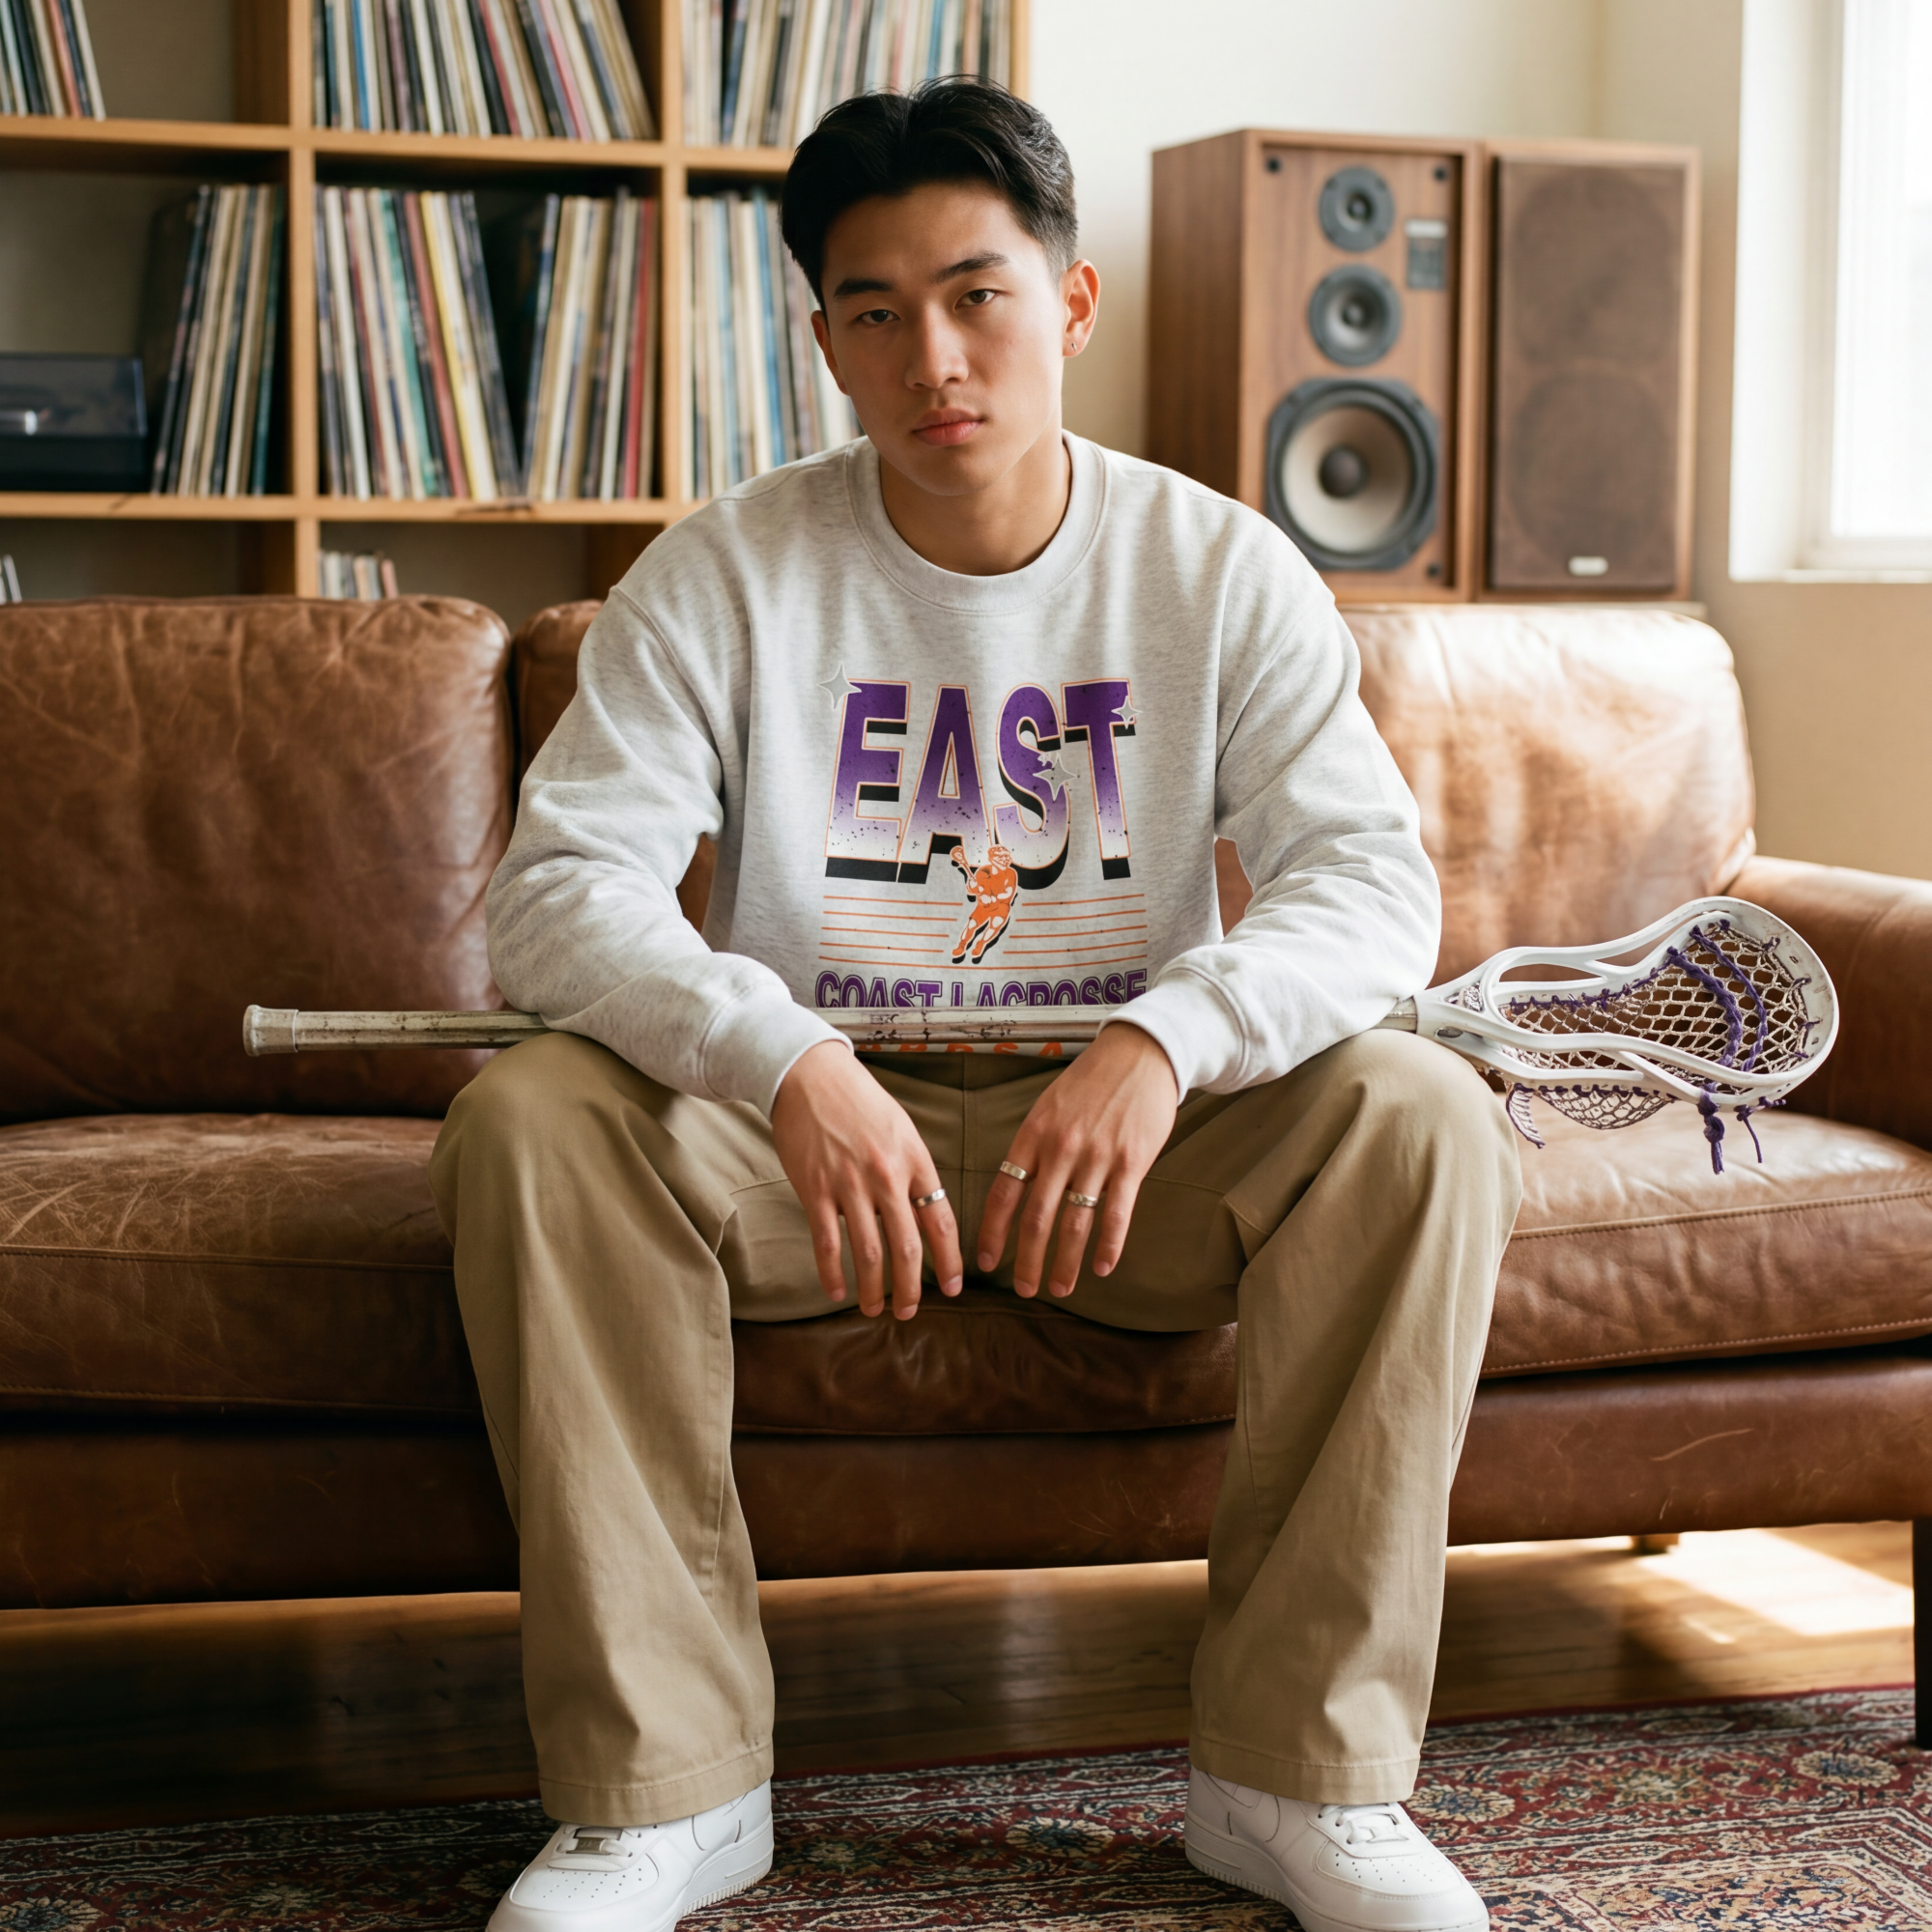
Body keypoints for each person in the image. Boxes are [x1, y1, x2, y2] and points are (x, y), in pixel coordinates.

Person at [430, 76, 1521, 1932]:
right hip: (819, 1156)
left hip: (1123, 1160)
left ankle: (1296, 1781)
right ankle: (667, 1796)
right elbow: (556, 898)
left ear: (1070, 304)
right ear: (828, 342)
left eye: (978, 291)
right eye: (875, 308)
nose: (934, 353)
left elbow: (1369, 889)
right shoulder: (724, 570)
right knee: (526, 1119)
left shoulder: (1218, 566)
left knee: (1422, 1118)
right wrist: (780, 1056)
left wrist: (1167, 1036)